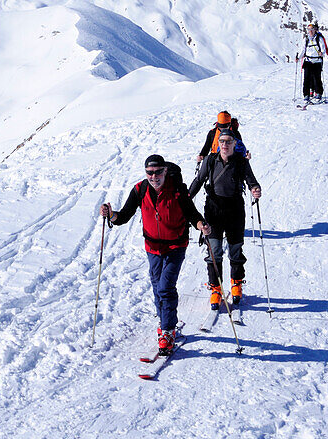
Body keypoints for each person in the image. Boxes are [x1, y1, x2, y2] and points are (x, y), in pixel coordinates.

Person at [100, 154, 210, 353]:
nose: (154, 176)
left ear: (165, 171)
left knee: (166, 287)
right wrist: (112, 215)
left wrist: (201, 225)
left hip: (176, 246)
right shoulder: (140, 189)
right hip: (152, 247)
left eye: (158, 172)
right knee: (156, 285)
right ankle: (166, 322)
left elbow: (191, 213)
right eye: (149, 173)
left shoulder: (177, 190)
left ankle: (167, 331)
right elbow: (124, 216)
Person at [189, 130, 261, 309]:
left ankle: (236, 283)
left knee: (235, 248)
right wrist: (187, 197)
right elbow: (198, 180)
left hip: (235, 208)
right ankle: (216, 288)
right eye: (222, 141)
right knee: (214, 250)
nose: (225, 144)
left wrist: (255, 189)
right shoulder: (211, 160)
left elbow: (251, 180)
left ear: (234, 143)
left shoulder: (241, 162)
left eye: (228, 141)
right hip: (213, 209)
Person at [298, 22, 328, 103]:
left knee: (317, 78)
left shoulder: (319, 38)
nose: (310, 31)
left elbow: (323, 48)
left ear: (315, 30)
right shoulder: (306, 39)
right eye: (309, 30)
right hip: (308, 61)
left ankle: (318, 93)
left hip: (317, 61)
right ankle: (306, 95)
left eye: (312, 29)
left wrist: (322, 53)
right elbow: (303, 49)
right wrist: (298, 58)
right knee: (306, 79)